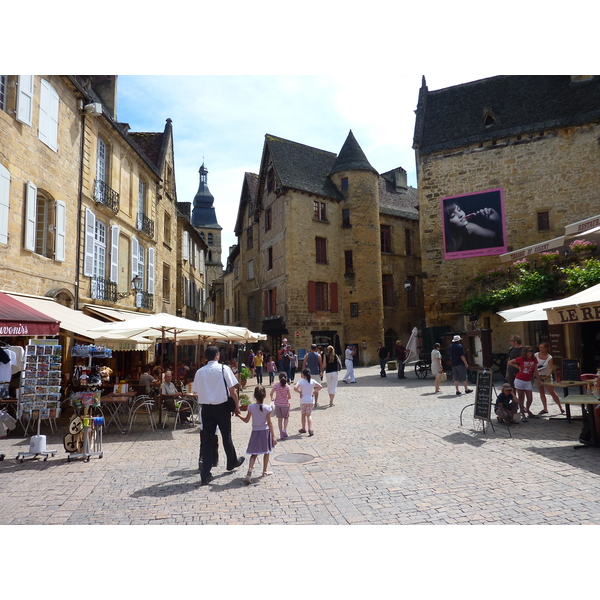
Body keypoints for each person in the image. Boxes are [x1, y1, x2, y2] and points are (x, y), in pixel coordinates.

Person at [192, 346, 245, 485]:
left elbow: (195, 391)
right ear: (217, 355)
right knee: (226, 436)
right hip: (221, 407)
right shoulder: (223, 369)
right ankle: (231, 461)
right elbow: (232, 390)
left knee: (208, 440)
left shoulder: (199, 372)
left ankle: (206, 473)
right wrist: (237, 406)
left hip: (207, 409)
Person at [236, 385, 277, 484]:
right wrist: (274, 436)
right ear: (265, 396)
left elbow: (246, 420)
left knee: (254, 454)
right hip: (265, 432)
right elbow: (270, 423)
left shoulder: (251, 407)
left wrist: (238, 415)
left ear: (254, 396)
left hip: (255, 432)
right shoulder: (267, 408)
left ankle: (250, 470)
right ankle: (264, 471)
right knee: (266, 452)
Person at [507, 345, 539, 422]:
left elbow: (536, 370)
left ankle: (527, 409)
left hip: (528, 380)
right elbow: (510, 362)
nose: (530, 353)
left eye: (531, 351)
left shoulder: (534, 359)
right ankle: (523, 414)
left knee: (530, 398)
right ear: (525, 352)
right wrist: (516, 366)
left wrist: (538, 379)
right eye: (528, 351)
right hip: (519, 380)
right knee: (521, 397)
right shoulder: (521, 359)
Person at [535, 342, 565, 415]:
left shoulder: (549, 357)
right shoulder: (535, 355)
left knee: (551, 391)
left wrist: (548, 375)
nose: (540, 349)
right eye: (540, 347)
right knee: (541, 392)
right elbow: (533, 365)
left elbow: (551, 367)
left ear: (546, 348)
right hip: (538, 375)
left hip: (546, 375)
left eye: (542, 347)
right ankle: (545, 408)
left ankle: (560, 407)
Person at [294, 368, 322, 436]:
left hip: (303, 400)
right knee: (309, 415)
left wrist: (299, 392)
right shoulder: (312, 381)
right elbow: (320, 387)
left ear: (303, 374)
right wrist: (314, 391)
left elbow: (295, 388)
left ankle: (303, 428)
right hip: (310, 400)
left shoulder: (300, 381)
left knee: (303, 414)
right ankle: (310, 429)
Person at [270, 371, 291, 439]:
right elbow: (289, 396)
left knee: (279, 420)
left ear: (279, 378)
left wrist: (272, 398)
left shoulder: (276, 385)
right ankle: (285, 429)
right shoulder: (287, 386)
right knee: (286, 417)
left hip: (277, 404)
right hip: (285, 404)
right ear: (286, 378)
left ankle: (281, 434)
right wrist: (286, 398)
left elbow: (271, 393)